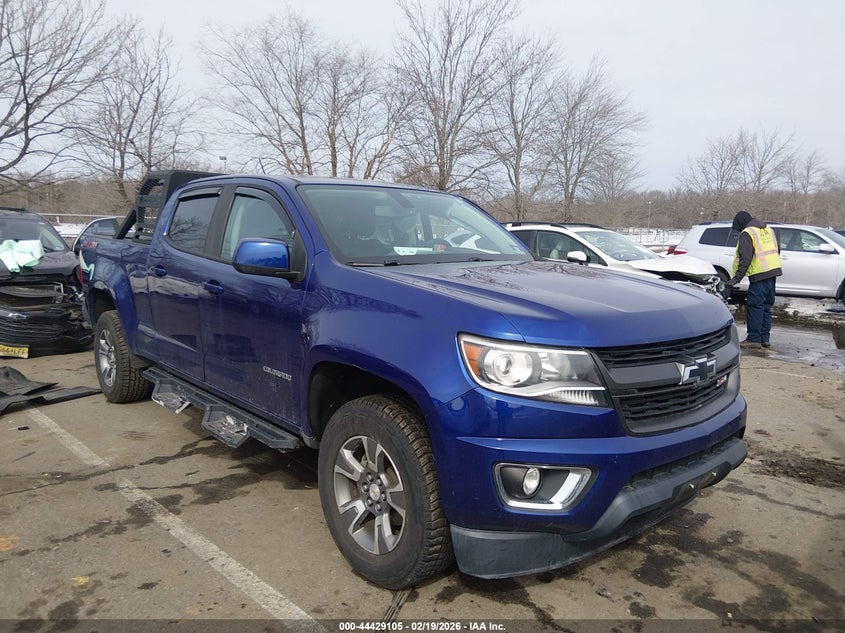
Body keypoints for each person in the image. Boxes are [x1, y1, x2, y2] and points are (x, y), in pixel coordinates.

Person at [727, 210, 782, 350]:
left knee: (755, 307)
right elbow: (777, 249)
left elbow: (745, 259)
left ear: (740, 223)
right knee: (766, 307)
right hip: (773, 271)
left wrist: (736, 278)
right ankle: (765, 338)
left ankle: (754, 339)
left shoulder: (747, 233)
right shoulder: (768, 229)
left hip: (759, 274)